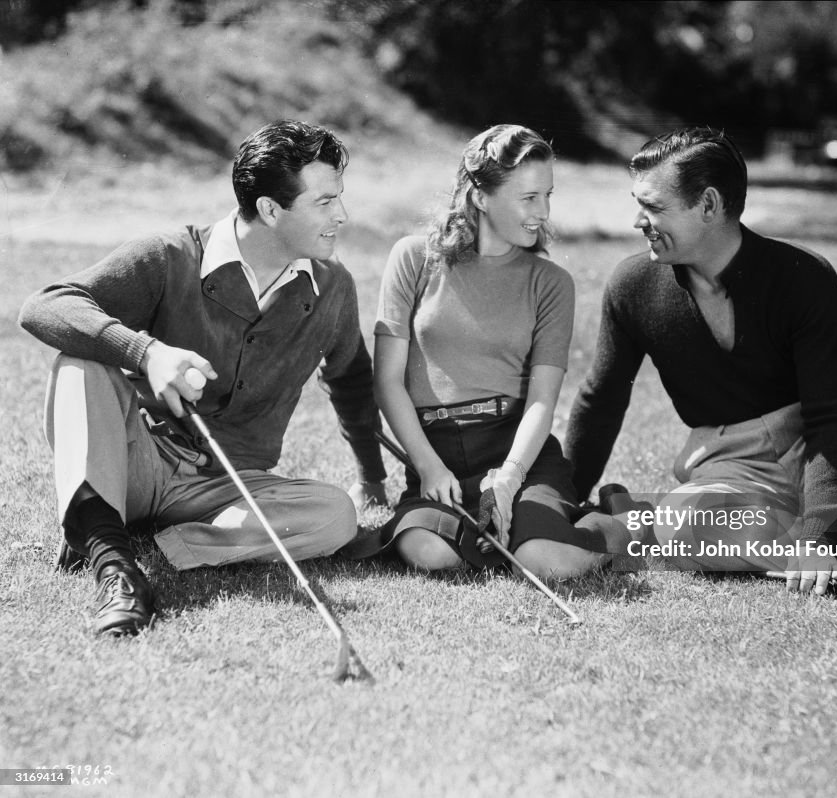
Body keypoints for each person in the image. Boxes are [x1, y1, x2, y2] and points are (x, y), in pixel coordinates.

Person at [564, 126, 837, 628]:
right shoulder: (632, 285)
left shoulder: (802, 276)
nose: (639, 220)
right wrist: (563, 498)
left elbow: (832, 417)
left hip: (831, 448)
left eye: (654, 207)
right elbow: (602, 399)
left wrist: (813, 537)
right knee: (682, 526)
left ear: (709, 205)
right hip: (734, 465)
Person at [19, 120, 387, 637]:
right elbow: (46, 306)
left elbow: (349, 378)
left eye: (339, 199)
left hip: (228, 490)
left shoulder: (333, 288)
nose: (342, 215)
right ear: (270, 209)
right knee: (80, 364)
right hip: (137, 459)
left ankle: (137, 538)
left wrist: (372, 477)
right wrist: (147, 352)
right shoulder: (170, 256)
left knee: (335, 514)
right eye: (324, 203)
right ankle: (113, 566)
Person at [349, 124, 638, 578]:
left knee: (542, 560)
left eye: (548, 195)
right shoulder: (412, 259)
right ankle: (496, 520)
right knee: (428, 552)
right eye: (528, 198)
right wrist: (427, 466)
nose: (543, 212)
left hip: (516, 451)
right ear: (480, 197)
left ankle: (614, 526)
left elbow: (543, 399)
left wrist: (509, 477)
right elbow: (387, 382)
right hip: (436, 452)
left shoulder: (551, 284)